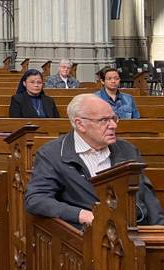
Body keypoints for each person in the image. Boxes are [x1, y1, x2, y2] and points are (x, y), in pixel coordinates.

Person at [24, 94, 164, 227]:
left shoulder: (127, 150)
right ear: (80, 124)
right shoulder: (52, 154)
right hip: (87, 238)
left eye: (114, 118)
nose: (113, 125)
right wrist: (82, 215)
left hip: (133, 232)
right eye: (104, 120)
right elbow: (36, 199)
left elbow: (149, 200)